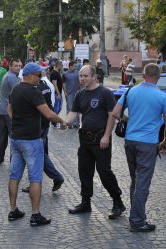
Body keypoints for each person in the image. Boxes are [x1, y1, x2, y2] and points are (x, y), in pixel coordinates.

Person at [7, 62, 68, 226]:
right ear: (30, 75)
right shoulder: (33, 91)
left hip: (16, 139)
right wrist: (62, 121)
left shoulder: (16, 89)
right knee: (35, 178)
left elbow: (9, 111)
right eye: (38, 75)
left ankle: (13, 210)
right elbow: (48, 114)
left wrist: (19, 122)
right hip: (31, 140)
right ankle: (35, 215)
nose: (40, 78)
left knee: (14, 176)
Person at [112, 63, 166, 232]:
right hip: (148, 143)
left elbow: (115, 113)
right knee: (143, 182)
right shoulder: (162, 96)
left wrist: (130, 122)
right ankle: (136, 221)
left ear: (143, 75)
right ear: (158, 78)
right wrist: (164, 139)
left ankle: (138, 217)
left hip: (130, 141)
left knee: (135, 180)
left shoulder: (131, 91)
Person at [66, 65, 126, 219]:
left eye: (85, 76)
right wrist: (64, 122)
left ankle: (118, 202)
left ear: (94, 77)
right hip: (85, 139)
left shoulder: (105, 93)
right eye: (80, 76)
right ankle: (85, 203)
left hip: (101, 139)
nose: (82, 79)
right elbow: (73, 112)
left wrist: (107, 136)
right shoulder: (80, 94)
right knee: (84, 171)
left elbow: (111, 116)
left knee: (104, 172)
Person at [22, 67, 65, 193]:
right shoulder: (45, 86)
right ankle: (41, 180)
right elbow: (50, 106)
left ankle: (52, 178)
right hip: (44, 125)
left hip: (37, 126)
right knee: (40, 154)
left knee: (36, 155)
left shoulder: (36, 90)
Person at [0, 59, 21, 164]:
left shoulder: (8, 75)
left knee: (2, 135)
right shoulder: (11, 77)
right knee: (13, 136)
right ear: (10, 66)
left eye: (19, 66)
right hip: (8, 110)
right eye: (16, 66)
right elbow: (18, 92)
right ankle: (14, 160)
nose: (18, 67)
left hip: (2, 109)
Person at [62, 61, 80, 128]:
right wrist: (65, 92)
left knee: (77, 109)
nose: (75, 67)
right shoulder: (65, 74)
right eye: (74, 66)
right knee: (69, 109)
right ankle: (69, 123)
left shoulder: (77, 73)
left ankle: (76, 124)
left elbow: (80, 81)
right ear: (70, 66)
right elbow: (63, 84)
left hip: (77, 93)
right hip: (69, 94)